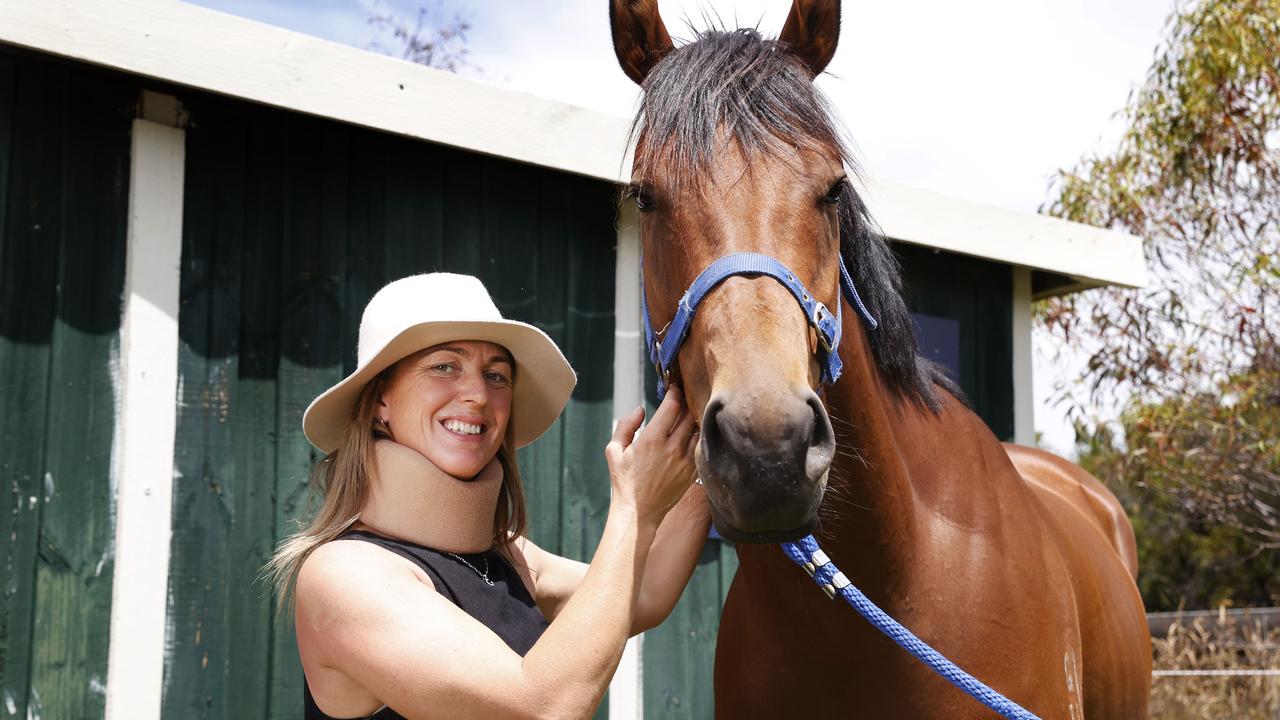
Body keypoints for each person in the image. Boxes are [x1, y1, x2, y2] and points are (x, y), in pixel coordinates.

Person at [266, 272, 710, 720]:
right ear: (381, 401)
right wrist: (634, 507)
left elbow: (645, 589)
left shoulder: (504, 553)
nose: (478, 394)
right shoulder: (343, 575)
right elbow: (541, 708)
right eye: (444, 366)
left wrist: (714, 447)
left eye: (496, 375)